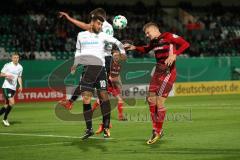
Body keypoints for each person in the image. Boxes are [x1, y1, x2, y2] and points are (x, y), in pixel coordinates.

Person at [125, 22, 189, 144]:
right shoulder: (154, 42)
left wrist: (175, 54)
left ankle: (158, 131)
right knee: (150, 99)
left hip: (168, 72)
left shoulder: (168, 36)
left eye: (148, 33)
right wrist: (134, 47)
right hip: (158, 72)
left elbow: (185, 44)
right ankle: (156, 129)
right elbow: (146, 49)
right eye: (146, 34)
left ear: (154, 29)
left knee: (159, 101)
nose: (147, 35)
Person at [73, 15, 126, 139]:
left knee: (103, 97)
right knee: (86, 99)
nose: (100, 26)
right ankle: (88, 129)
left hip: (100, 69)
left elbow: (117, 42)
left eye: (102, 24)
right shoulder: (82, 35)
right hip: (87, 69)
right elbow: (78, 50)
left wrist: (122, 53)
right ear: (92, 23)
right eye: (98, 24)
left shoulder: (103, 35)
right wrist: (76, 63)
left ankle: (106, 127)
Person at [92, 51, 127, 122]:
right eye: (115, 55)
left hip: (114, 86)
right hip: (107, 85)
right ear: (112, 56)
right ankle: (90, 112)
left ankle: (120, 116)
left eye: (117, 55)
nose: (116, 56)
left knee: (120, 100)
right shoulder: (109, 64)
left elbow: (117, 76)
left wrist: (120, 84)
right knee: (100, 101)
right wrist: (113, 80)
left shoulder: (119, 66)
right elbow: (110, 77)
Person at [0, 53, 23, 127]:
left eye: (17, 57)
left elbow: (19, 77)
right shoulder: (7, 65)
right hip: (6, 87)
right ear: (12, 58)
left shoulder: (20, 67)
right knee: (12, 102)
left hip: (13, 88)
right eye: (14, 57)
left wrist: (21, 85)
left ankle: (4, 117)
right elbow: (1, 74)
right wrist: (7, 75)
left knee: (6, 105)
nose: (16, 59)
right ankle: (5, 119)